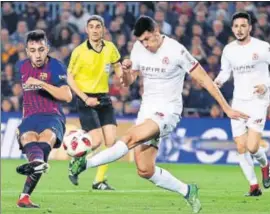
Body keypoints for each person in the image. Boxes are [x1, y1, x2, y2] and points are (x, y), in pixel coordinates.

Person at [68, 16, 249, 213]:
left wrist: (226, 108)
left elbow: (205, 80)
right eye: (141, 41)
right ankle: (188, 191)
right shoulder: (138, 49)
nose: (145, 44)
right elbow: (128, 82)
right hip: (146, 109)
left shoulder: (176, 51)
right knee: (144, 169)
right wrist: (127, 72)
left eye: (147, 39)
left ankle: (85, 163)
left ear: (156, 32)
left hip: (168, 111)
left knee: (129, 137)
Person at [215, 12, 270, 196]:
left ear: (250, 27)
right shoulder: (228, 49)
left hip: (258, 101)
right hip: (238, 101)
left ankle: (265, 164)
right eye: (236, 26)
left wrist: (266, 85)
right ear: (232, 28)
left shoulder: (262, 47)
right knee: (241, 147)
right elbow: (225, 71)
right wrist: (218, 81)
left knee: (252, 147)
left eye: (243, 26)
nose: (239, 29)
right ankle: (253, 186)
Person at [67, 15, 128, 190]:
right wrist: (85, 98)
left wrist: (121, 75)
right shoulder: (79, 51)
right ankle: (76, 161)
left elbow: (116, 64)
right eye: (91, 27)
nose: (95, 30)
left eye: (98, 26)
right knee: (95, 141)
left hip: (103, 97)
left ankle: (99, 180)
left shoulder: (110, 47)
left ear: (103, 29)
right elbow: (70, 78)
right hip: (85, 97)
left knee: (111, 143)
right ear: (87, 30)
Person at [16, 30, 72, 208]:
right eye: (33, 50)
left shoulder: (56, 66)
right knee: (28, 139)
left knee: (45, 138)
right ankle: (24, 196)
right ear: (27, 51)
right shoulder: (23, 66)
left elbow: (67, 96)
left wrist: (41, 83)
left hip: (51, 115)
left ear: (47, 48)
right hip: (30, 116)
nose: (37, 55)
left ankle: (37, 163)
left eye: (41, 49)